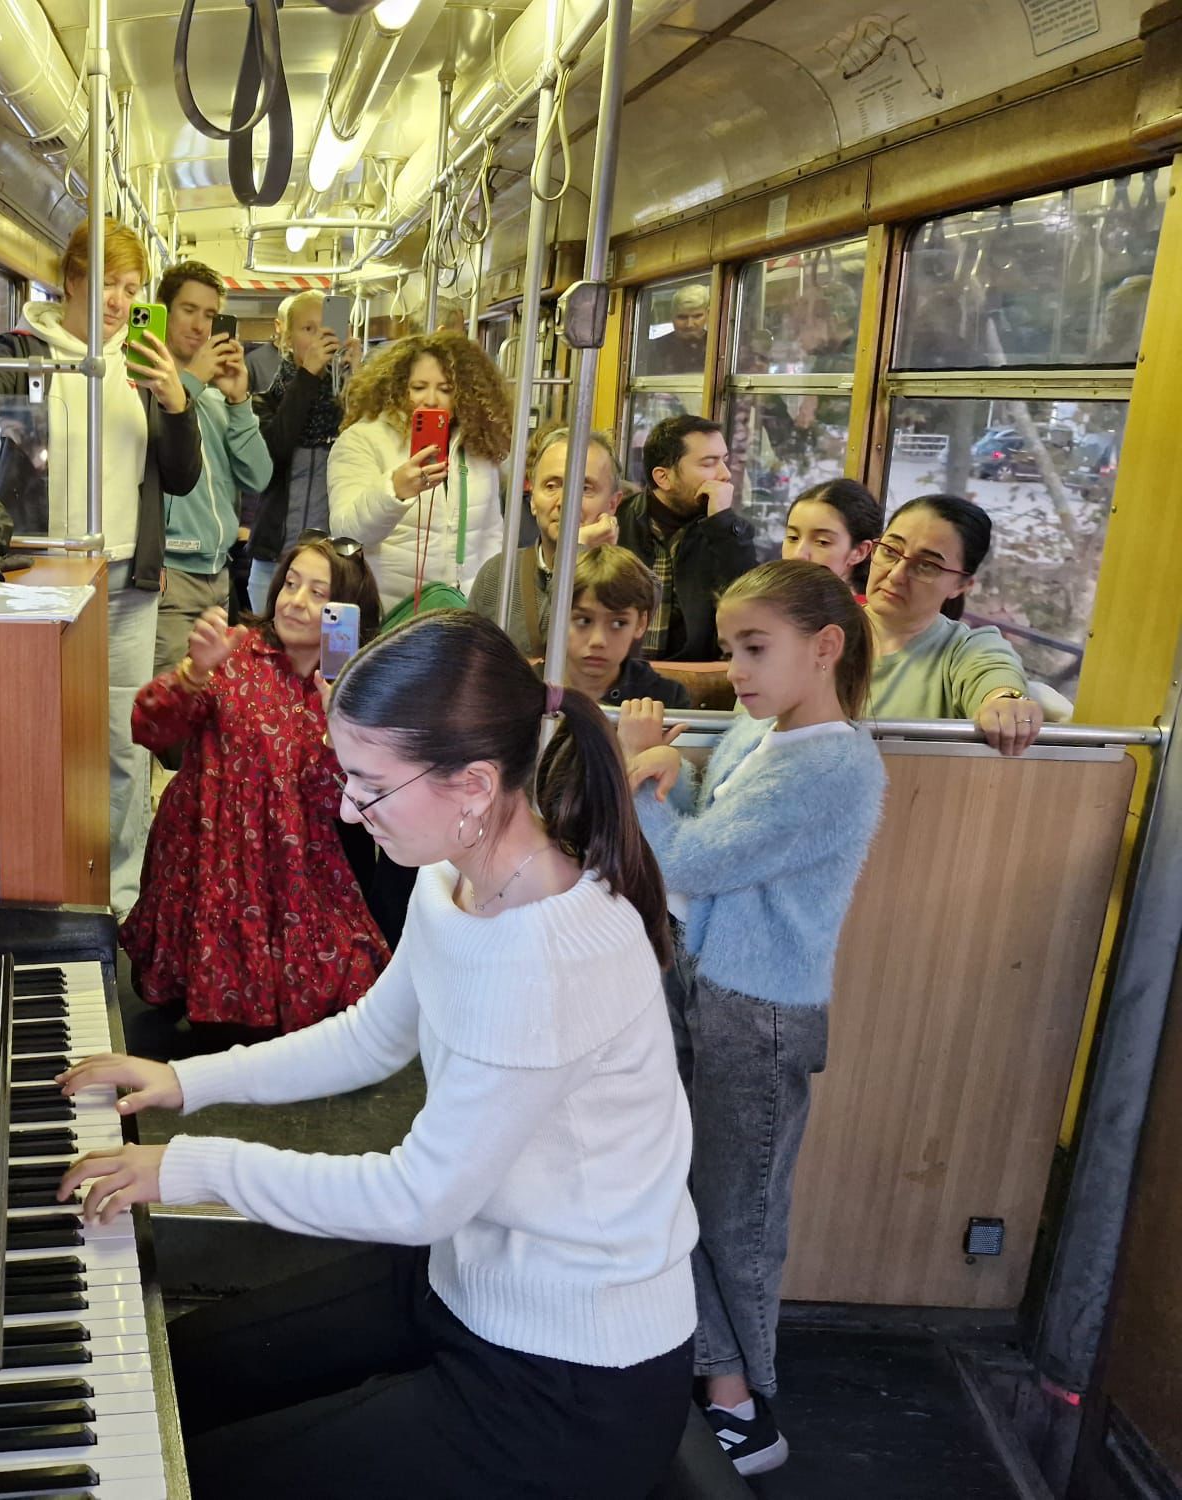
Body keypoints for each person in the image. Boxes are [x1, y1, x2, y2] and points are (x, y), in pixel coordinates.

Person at [55, 611, 698, 1500]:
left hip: (570, 1378)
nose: (347, 808)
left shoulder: (550, 960)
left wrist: (190, 1168)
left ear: (473, 783)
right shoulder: (456, 877)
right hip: (461, 1280)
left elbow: (417, 1195)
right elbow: (371, 1034)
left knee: (203, 1478)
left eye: (370, 784)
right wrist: (182, 1082)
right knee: (176, 1380)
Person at [616, 560, 886, 1476]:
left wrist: (634, 773)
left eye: (754, 648)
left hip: (757, 1010)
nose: (735, 667)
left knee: (734, 1215)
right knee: (671, 1188)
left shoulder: (835, 763)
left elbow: (692, 860)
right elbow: (702, 818)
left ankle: (745, 1405)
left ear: (825, 648)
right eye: (731, 647)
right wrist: (670, 770)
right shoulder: (758, 733)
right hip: (702, 985)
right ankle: (718, 1379)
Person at [0, 218, 204, 912]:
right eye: (106, 283)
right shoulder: (26, 351)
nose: (120, 301)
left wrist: (176, 402)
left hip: (128, 577)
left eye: (131, 288)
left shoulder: (146, 362)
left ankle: (121, 895)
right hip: (40, 572)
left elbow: (181, 478)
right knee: (38, 735)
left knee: (123, 746)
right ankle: (45, 882)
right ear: (71, 280)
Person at [124, 538, 389, 1037]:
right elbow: (148, 729)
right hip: (205, 854)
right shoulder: (237, 649)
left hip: (293, 868)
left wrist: (340, 721)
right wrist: (194, 671)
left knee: (345, 991)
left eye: (317, 593)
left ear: (346, 612)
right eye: (290, 584)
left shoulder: (353, 690)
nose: (294, 601)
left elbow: (342, 798)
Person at [328, 333, 512, 616]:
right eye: (419, 387)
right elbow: (346, 534)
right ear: (397, 388)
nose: (431, 399)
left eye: (446, 389)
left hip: (464, 617)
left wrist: (489, 606)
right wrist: (394, 491)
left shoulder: (477, 445)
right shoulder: (362, 440)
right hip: (388, 615)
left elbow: (490, 535)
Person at [152, 260, 273, 674]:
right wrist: (193, 380)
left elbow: (258, 475)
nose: (201, 326)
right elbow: (154, 446)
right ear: (163, 311)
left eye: (210, 314)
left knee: (211, 705)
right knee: (166, 706)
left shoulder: (221, 399)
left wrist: (239, 401)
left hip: (217, 575)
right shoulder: (147, 383)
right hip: (170, 574)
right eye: (189, 310)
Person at [864, 494, 1042, 756]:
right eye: (890, 552)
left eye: (926, 565)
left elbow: (993, 672)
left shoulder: (964, 650)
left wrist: (1006, 703)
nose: (896, 575)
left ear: (961, 585)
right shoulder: (819, 629)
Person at [247, 291, 360, 612]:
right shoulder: (264, 402)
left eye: (327, 329)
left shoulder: (350, 403)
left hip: (336, 566)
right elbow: (273, 456)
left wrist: (358, 380)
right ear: (287, 337)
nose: (319, 338)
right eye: (308, 329)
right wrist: (307, 376)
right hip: (273, 561)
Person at [469, 426, 625, 657]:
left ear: (612, 504)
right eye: (551, 486)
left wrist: (577, 550)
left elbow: (560, 647)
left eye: (584, 488)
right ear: (532, 500)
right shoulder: (498, 574)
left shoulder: (629, 581)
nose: (565, 502)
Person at [617, 414, 755, 661]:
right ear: (664, 477)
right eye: (708, 463)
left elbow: (752, 606)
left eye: (724, 460)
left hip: (693, 681)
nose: (724, 475)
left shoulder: (727, 532)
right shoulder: (617, 520)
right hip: (620, 672)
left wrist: (722, 524)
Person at [563, 547, 691, 708]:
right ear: (559, 617)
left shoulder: (667, 699)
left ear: (640, 623)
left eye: (618, 623)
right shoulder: (526, 687)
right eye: (584, 620)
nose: (598, 641)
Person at [781, 477, 882, 597]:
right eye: (793, 538)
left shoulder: (859, 614)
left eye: (822, 542)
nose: (798, 554)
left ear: (859, 552)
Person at [641, 282, 711, 375]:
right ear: (672, 316)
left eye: (697, 316)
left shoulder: (718, 347)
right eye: (682, 317)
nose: (689, 324)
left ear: (708, 314)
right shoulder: (654, 349)